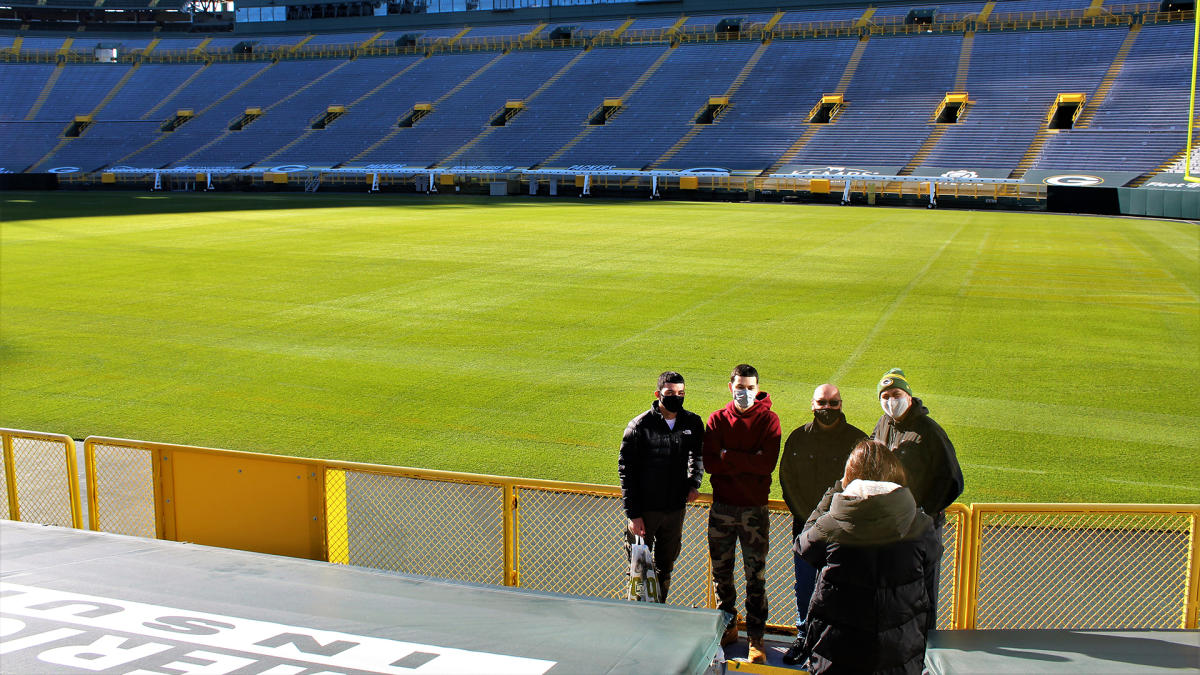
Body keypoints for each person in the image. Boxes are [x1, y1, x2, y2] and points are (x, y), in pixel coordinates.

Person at [796, 439, 942, 674]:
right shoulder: (920, 524)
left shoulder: (832, 524)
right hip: (898, 651)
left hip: (838, 651)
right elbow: (930, 566)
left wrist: (835, 491)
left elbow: (803, 547)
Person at [778, 384, 866, 666]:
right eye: (822, 403)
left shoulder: (858, 441)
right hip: (806, 531)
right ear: (812, 405)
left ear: (841, 404)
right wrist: (810, 522)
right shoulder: (797, 438)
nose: (827, 408)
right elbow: (787, 481)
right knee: (804, 588)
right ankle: (804, 637)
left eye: (833, 403)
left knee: (841, 589)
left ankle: (836, 645)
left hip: (845, 534)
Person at [703, 364, 781, 664]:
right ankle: (728, 627)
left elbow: (767, 465)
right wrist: (747, 459)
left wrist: (728, 456)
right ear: (730, 386)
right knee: (721, 575)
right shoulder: (717, 419)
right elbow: (711, 463)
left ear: (757, 388)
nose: (745, 392)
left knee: (755, 578)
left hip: (754, 512)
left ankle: (757, 638)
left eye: (750, 387)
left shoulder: (769, 420)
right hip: (722, 508)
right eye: (740, 386)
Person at [873, 367, 963, 619]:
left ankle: (925, 649)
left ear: (909, 397)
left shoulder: (929, 431)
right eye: (885, 395)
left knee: (922, 593)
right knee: (892, 589)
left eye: (896, 393)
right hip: (890, 525)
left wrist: (923, 512)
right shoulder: (883, 424)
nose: (891, 400)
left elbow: (953, 481)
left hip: (921, 529)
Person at [618, 371, 704, 602]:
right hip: (645, 511)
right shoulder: (639, 426)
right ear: (658, 394)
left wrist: (694, 483)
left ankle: (659, 608)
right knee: (638, 568)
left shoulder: (692, 422)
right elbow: (626, 472)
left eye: (681, 393)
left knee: (665, 566)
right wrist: (633, 514)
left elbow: (698, 456)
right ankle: (638, 614)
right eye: (670, 393)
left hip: (675, 509)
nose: (676, 397)